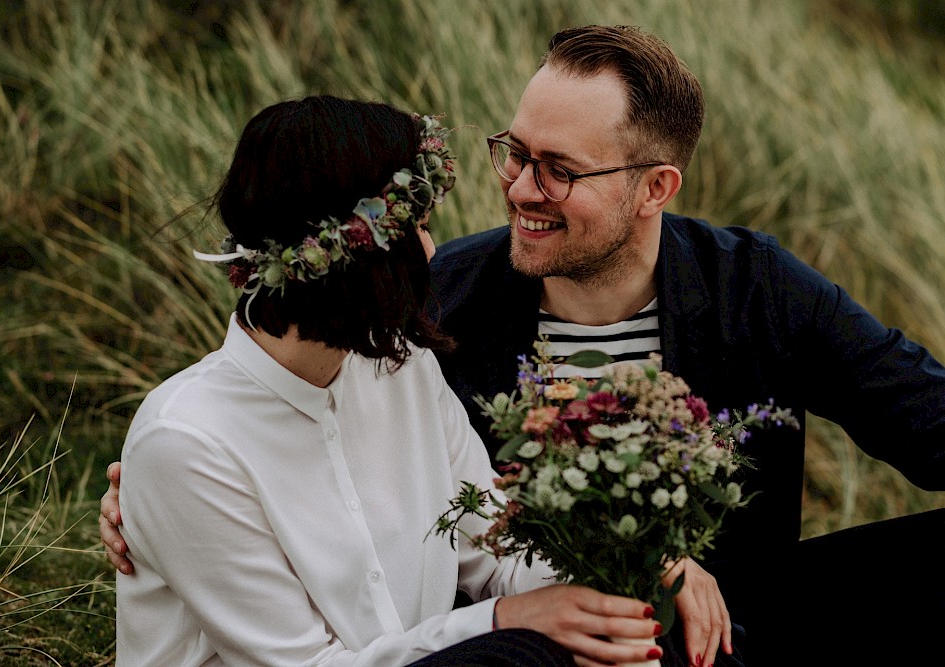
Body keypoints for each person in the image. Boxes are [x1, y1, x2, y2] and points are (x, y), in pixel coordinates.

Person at [105, 26, 945, 665]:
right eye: (514, 153)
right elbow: (267, 383)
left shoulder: (755, 286)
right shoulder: (431, 308)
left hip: (720, 620)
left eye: (557, 168)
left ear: (655, 188)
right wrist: (151, 484)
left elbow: (927, 414)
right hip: (541, 644)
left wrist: (658, 568)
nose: (516, 188)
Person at [110, 95, 667, 666]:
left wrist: (639, 574)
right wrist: (503, 622)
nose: (432, 250)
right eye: (420, 228)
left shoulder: (405, 370)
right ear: (361, 256)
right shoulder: (187, 443)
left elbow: (498, 555)